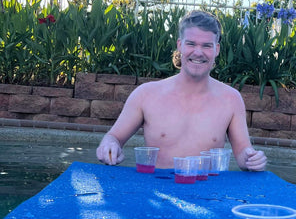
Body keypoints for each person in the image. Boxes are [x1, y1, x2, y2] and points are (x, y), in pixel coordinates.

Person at [96, 10, 267, 171]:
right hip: (157, 191)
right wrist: (109, 147)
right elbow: (114, 137)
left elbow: (242, 152)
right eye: (191, 44)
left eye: (207, 46)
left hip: (207, 195)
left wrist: (252, 159)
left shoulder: (231, 99)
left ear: (217, 49)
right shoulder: (145, 95)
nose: (198, 52)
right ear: (180, 45)